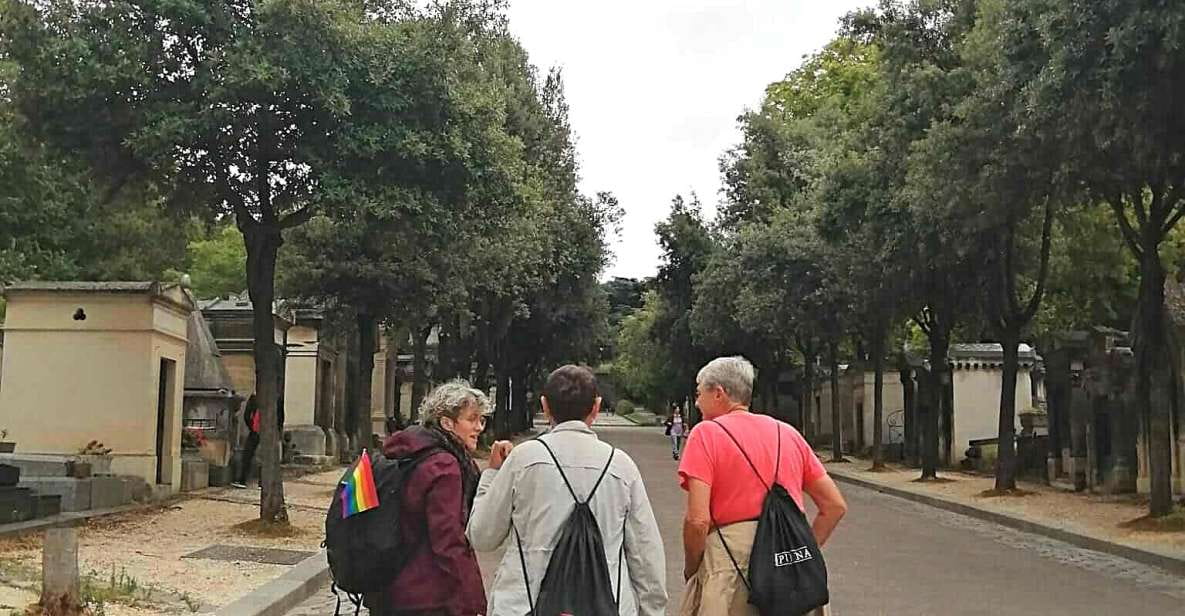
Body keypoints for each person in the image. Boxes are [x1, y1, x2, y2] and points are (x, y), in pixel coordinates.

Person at [467, 365, 668, 616]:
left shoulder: (524, 460)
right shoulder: (621, 466)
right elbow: (646, 554)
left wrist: (490, 476)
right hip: (607, 605)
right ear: (596, 406)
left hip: (523, 605)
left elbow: (482, 536)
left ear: (545, 406)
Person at [678, 356, 847, 615]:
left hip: (732, 561)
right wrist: (799, 551)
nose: (697, 402)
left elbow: (698, 521)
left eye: (700, 393)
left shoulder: (705, 434)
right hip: (790, 571)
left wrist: (693, 568)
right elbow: (834, 506)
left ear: (719, 393)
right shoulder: (788, 433)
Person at [370, 380, 488, 616]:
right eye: (471, 419)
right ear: (447, 423)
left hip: (390, 586)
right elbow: (448, 540)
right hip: (428, 596)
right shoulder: (444, 466)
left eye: (481, 420)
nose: (479, 427)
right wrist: (474, 600)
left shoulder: (409, 452)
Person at [233, 394, 285, 489]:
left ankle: (263, 481)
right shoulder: (254, 398)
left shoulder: (276, 399)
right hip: (255, 431)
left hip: (269, 432)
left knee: (265, 456)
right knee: (247, 454)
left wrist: (276, 430)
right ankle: (242, 479)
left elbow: (280, 417)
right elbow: (247, 414)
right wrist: (252, 426)